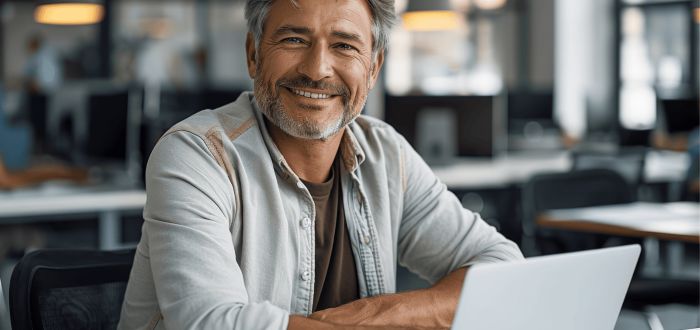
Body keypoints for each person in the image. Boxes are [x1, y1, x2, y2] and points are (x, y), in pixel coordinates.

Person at [118, 0, 523, 329]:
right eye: (294, 39)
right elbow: (211, 324)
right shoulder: (197, 154)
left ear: (374, 67)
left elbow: (501, 268)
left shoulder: (386, 154)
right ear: (253, 54)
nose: (316, 69)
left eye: (345, 45)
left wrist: (378, 315)